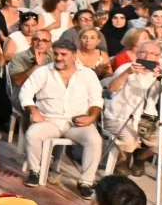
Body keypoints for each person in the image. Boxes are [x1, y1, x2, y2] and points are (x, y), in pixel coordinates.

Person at [18, 39, 103, 195]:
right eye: (56, 54)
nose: (58, 58)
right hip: (49, 120)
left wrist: (91, 118)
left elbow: (96, 100)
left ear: (74, 55)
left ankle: (86, 182)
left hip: (76, 122)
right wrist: (34, 111)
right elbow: (25, 93)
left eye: (63, 54)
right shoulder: (43, 72)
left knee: (94, 139)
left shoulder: (88, 74)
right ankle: (35, 171)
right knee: (32, 133)